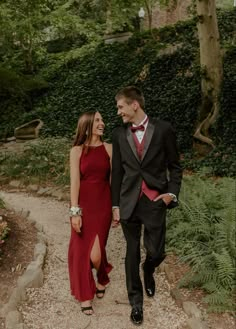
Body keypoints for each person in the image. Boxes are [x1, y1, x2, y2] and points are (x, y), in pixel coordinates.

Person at [111, 86, 182, 325]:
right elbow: (117, 173)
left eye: (120, 106)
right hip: (128, 201)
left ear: (134, 105)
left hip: (154, 200)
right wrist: (115, 205)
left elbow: (175, 166)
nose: (118, 111)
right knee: (131, 251)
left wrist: (171, 193)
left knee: (156, 252)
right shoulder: (119, 134)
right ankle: (136, 303)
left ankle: (149, 269)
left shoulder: (164, 129)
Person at [68, 111, 113, 315]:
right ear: (86, 125)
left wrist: (115, 208)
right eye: (97, 120)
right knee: (81, 252)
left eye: (102, 120)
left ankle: (102, 276)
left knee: (96, 253)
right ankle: (86, 295)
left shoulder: (109, 149)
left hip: (103, 204)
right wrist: (74, 211)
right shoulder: (76, 151)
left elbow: (114, 182)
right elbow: (75, 183)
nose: (102, 123)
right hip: (84, 206)